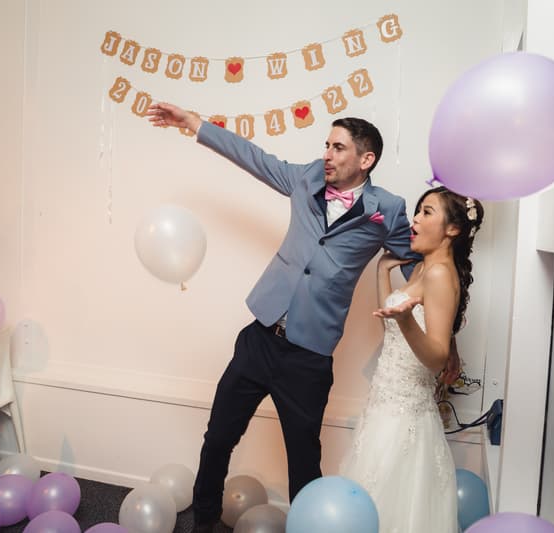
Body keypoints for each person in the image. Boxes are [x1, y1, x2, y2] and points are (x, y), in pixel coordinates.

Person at [146, 102, 443, 532]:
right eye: (326, 144)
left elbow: (416, 263)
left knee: (304, 460)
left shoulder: (388, 209)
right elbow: (256, 159)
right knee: (218, 438)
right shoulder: (306, 177)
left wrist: (441, 309)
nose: (326, 153)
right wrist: (195, 124)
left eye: (338, 147)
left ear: (365, 159)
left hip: (309, 355)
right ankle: (204, 522)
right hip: (261, 336)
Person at [339, 186, 484, 533]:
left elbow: (437, 357)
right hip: (384, 403)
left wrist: (406, 320)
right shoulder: (421, 269)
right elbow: (389, 319)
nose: (415, 220)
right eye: (418, 211)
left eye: (427, 212)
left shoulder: (438, 275)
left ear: (453, 229)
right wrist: (382, 272)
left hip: (404, 415)